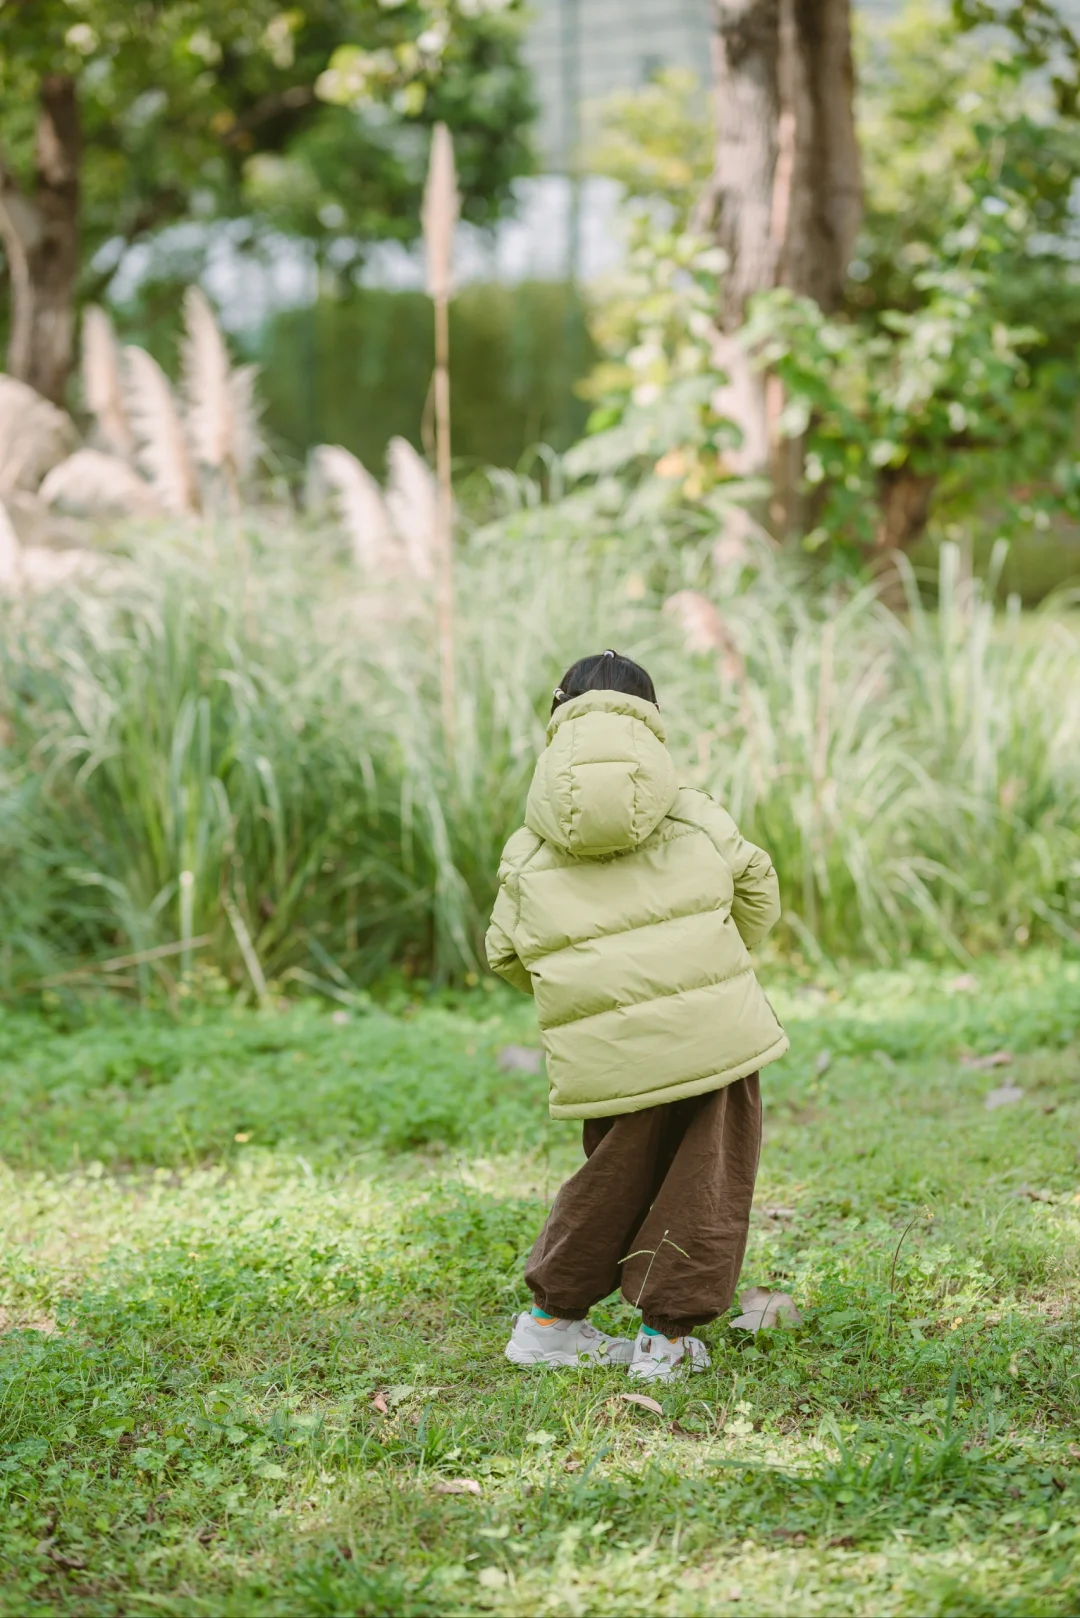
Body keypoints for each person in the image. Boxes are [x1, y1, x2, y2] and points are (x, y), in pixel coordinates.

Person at [485, 650, 788, 1381]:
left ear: (557, 719)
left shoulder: (530, 843)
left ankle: (551, 1326)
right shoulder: (691, 807)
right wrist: (706, 964)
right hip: (712, 1030)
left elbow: (505, 952)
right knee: (705, 1179)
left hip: (607, 1049)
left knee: (611, 1173)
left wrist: (588, 993)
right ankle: (665, 1341)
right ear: (652, 722)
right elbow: (757, 890)